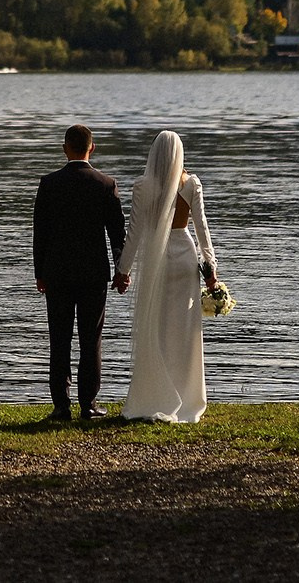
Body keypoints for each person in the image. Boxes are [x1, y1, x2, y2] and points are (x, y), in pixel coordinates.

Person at [115, 129, 218, 424]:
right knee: (184, 330)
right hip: (184, 257)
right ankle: (187, 399)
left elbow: (134, 233)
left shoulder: (142, 186)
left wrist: (123, 271)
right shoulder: (191, 183)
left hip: (157, 259)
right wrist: (210, 268)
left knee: (156, 327)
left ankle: (157, 394)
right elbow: (202, 229)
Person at [32, 123, 128, 422]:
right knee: (91, 340)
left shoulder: (49, 184)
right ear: (92, 148)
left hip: (57, 272)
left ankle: (61, 406)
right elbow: (117, 234)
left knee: (59, 340)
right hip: (93, 274)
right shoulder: (106, 184)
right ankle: (88, 403)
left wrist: (39, 272)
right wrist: (121, 270)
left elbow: (40, 233)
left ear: (65, 148)